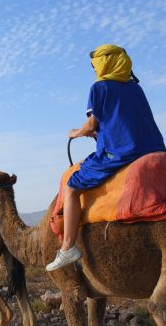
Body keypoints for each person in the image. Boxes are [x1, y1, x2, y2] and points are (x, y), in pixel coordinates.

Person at [46, 45, 165, 272]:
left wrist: (75, 132)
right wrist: (98, 133)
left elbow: (91, 124)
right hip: (153, 147)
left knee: (72, 187)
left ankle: (68, 247)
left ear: (105, 64)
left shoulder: (99, 87)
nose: (94, 70)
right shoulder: (136, 88)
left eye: (95, 65)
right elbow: (123, 123)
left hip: (121, 153)